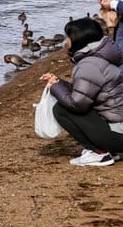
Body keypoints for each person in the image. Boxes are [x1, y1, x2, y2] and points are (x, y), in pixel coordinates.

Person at [42, 17, 123, 166]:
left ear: (77, 39)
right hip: (118, 122)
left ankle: (99, 153)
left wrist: (55, 89)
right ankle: (107, 149)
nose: (65, 41)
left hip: (119, 132)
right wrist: (58, 83)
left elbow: (78, 104)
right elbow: (87, 91)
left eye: (68, 36)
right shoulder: (99, 57)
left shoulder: (89, 64)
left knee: (61, 110)